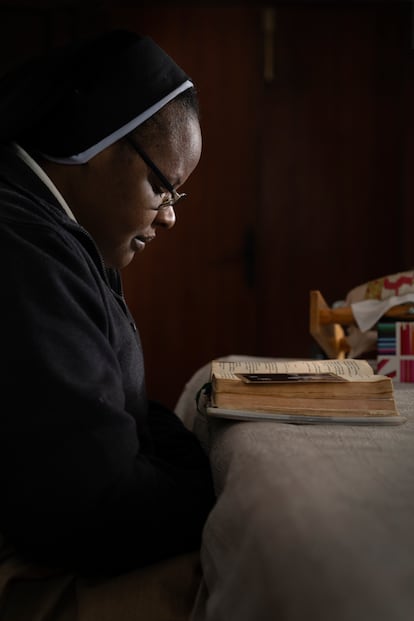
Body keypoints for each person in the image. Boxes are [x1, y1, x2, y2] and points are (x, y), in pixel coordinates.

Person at [0, 29, 215, 620]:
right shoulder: (23, 247)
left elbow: (130, 411)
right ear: (98, 141)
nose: (168, 218)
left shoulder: (62, 236)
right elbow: (95, 510)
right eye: (162, 187)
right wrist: (212, 486)